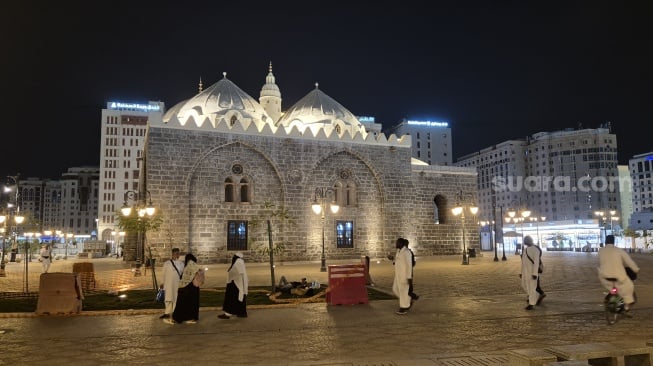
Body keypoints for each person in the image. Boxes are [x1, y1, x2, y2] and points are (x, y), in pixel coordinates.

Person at [598, 234, 640, 314]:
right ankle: (626, 306)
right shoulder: (619, 250)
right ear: (614, 242)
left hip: (604, 276)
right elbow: (629, 262)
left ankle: (611, 296)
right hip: (618, 276)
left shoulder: (601, 251)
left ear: (605, 242)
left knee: (612, 288)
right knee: (629, 287)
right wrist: (636, 269)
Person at [170, 253, 203, 324]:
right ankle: (192, 318)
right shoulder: (195, 265)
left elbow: (185, 278)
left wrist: (181, 285)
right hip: (194, 288)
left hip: (187, 288)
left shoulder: (189, 265)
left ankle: (179, 318)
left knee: (182, 303)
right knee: (193, 303)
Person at [218, 252, 249, 319]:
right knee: (237, 299)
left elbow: (236, 272)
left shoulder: (238, 262)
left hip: (236, 284)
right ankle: (240, 313)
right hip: (237, 283)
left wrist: (230, 275)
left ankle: (229, 314)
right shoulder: (240, 261)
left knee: (232, 299)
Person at [159, 248, 184, 320]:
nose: (178, 255)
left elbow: (183, 274)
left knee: (176, 298)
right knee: (168, 298)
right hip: (168, 284)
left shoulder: (181, 264)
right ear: (173, 254)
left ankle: (175, 313)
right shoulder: (167, 263)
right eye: (176, 253)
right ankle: (167, 313)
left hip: (177, 284)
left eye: (178, 253)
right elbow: (163, 274)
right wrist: (162, 282)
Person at [391, 237, 412, 315]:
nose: (396, 244)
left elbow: (409, 265)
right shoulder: (399, 251)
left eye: (397, 242)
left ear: (401, 243)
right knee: (395, 289)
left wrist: (409, 277)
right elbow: (397, 261)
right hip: (398, 275)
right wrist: (392, 259)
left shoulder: (407, 252)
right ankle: (408, 300)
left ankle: (403, 308)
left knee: (403, 292)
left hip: (404, 276)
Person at [520, 236, 540, 310]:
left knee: (531, 287)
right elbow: (523, 262)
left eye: (526, 240)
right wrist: (521, 272)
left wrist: (535, 273)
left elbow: (536, 262)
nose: (525, 241)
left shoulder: (535, 250)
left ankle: (531, 303)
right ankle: (535, 295)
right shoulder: (525, 250)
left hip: (532, 272)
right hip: (525, 271)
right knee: (524, 285)